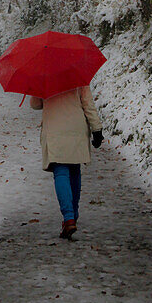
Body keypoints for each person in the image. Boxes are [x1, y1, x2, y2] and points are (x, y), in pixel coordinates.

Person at [29, 87, 103, 240]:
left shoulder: (43, 73)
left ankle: (68, 218)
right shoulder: (77, 71)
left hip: (54, 129)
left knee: (61, 171)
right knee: (74, 170)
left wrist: (35, 89)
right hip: (76, 129)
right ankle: (73, 216)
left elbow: (35, 104)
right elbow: (87, 103)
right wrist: (97, 129)